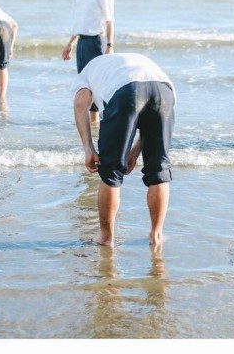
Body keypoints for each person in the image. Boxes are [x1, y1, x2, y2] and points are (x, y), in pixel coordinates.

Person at [72, 52, 176, 249]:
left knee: (110, 171)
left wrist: (88, 148)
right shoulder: (117, 63)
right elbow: (149, 122)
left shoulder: (84, 75)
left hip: (125, 91)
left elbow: (80, 104)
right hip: (164, 90)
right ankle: (156, 235)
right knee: (158, 170)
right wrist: (135, 152)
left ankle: (106, 237)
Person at [62, 0, 115, 124]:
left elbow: (109, 20)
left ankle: (103, 124)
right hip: (82, 44)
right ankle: (93, 127)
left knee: (99, 86)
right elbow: (79, 23)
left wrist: (109, 45)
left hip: (96, 43)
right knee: (85, 86)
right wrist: (70, 44)